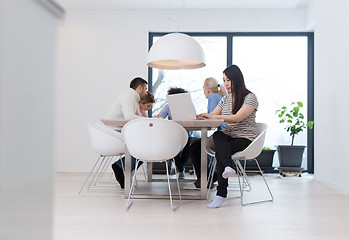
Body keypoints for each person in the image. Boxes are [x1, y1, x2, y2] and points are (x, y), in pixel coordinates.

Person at [197, 65, 259, 208]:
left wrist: (213, 115)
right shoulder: (226, 98)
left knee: (220, 149)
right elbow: (213, 115)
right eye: (224, 80)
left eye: (229, 80)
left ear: (237, 79)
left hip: (246, 139)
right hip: (230, 136)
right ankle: (228, 167)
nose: (225, 84)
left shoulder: (250, 98)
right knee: (219, 135)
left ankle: (221, 194)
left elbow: (237, 118)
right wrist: (202, 116)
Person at [105, 77, 148, 189]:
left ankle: (121, 166)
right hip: (114, 135)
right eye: (145, 89)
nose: (146, 92)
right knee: (145, 146)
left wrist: (150, 120)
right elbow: (130, 116)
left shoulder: (132, 97)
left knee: (146, 145)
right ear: (139, 88)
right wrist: (149, 121)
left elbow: (138, 117)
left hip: (117, 132)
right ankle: (120, 166)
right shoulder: (129, 96)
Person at [186, 77, 227, 189]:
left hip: (223, 134)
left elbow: (213, 121)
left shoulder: (213, 97)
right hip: (223, 133)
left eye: (203, 89)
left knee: (195, 146)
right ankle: (207, 178)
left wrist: (203, 118)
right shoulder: (219, 96)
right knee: (197, 145)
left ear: (208, 89)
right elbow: (212, 116)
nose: (203, 91)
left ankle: (206, 179)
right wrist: (204, 116)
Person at [158, 87, 199, 179]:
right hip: (173, 134)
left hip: (188, 134)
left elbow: (194, 118)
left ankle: (180, 168)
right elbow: (161, 117)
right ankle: (181, 169)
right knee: (172, 148)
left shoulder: (190, 105)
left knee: (190, 143)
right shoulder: (168, 106)